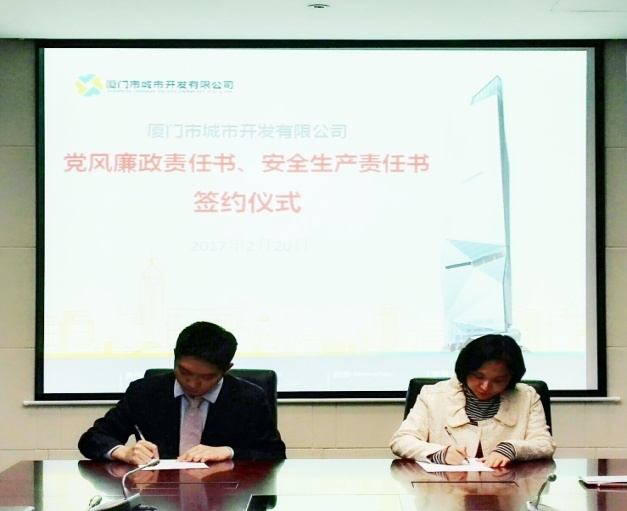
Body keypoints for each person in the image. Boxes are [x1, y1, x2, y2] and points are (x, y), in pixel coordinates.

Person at [79, 321, 286, 464]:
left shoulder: (249, 398)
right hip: (158, 496)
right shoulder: (144, 392)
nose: (193, 383)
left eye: (206, 377)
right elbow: (92, 439)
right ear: (174, 358)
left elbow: (274, 454)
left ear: (226, 369)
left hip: (223, 497)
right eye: (185, 372)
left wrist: (229, 452)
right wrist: (124, 452)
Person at [390, 334, 555, 467]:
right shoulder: (433, 394)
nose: (485, 387)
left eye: (498, 380)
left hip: (510, 489)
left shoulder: (527, 396)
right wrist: (440, 453)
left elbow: (544, 444)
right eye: (478, 376)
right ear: (465, 370)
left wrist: (511, 449)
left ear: (512, 379)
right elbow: (401, 441)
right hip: (445, 491)